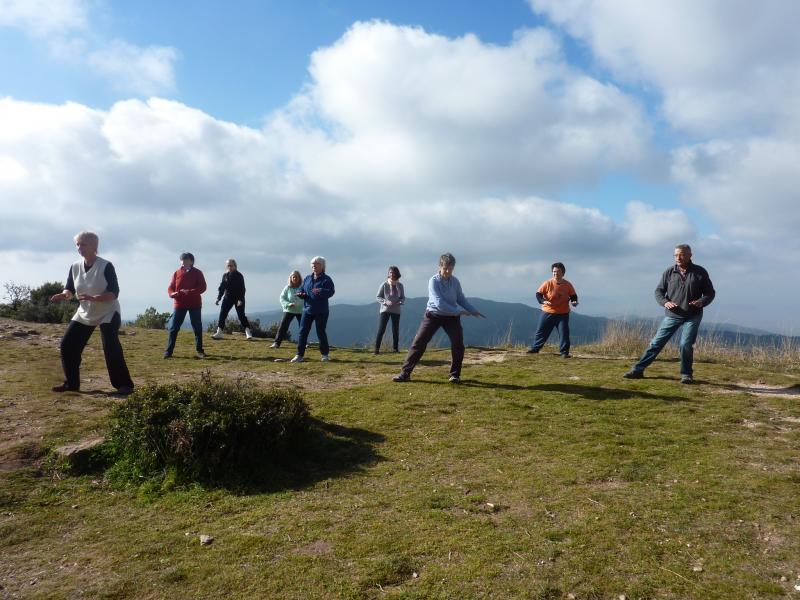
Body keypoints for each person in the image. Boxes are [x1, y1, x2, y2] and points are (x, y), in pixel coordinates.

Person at [49, 231, 134, 394]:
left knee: (111, 346)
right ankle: (71, 384)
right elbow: (70, 289)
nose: (79, 247)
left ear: (94, 247)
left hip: (108, 311)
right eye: (77, 244)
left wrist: (96, 298)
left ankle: (124, 385)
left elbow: (114, 292)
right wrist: (64, 294)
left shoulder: (106, 266)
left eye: (83, 244)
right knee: (67, 345)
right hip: (85, 312)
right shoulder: (75, 266)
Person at [624, 244, 715, 384]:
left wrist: (702, 301)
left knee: (685, 344)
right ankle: (638, 370)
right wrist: (665, 302)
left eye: (682, 254)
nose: (678, 257)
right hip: (672, 315)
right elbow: (659, 292)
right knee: (656, 343)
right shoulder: (669, 272)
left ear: (690, 255)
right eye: (676, 255)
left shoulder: (700, 272)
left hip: (693, 315)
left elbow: (710, 293)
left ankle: (686, 375)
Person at [393, 253, 485, 384]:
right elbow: (439, 303)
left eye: (451, 268)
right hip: (433, 315)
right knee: (418, 343)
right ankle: (405, 373)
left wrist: (473, 311)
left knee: (458, 344)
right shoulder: (433, 281)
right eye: (446, 268)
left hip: (451, 318)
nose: (448, 271)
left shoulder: (455, 281)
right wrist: (459, 312)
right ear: (440, 266)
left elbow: (461, 299)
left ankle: (455, 375)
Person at [528, 262, 578, 358]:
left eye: (558, 271)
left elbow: (573, 296)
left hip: (563, 314)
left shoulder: (568, 284)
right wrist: (543, 301)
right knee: (541, 331)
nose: (555, 273)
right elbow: (538, 294)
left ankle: (564, 353)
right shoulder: (547, 283)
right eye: (554, 272)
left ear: (563, 273)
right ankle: (535, 349)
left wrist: (574, 302)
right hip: (548, 312)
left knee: (564, 333)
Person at [291, 257, 335, 363]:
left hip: (321, 310)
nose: (314, 266)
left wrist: (320, 290)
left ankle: (325, 355)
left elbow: (331, 292)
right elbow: (301, 289)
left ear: (322, 266)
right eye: (312, 264)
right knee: (302, 332)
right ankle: (299, 355)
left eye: (316, 264)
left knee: (321, 332)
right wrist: (301, 294)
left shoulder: (326, 279)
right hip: (307, 309)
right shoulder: (307, 279)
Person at [164, 252, 207, 359]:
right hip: (179, 304)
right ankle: (168, 352)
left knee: (197, 328)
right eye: (182, 260)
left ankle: (200, 351)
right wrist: (171, 294)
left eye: (186, 260)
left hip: (195, 304)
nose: (183, 262)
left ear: (191, 261)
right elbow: (170, 287)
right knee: (174, 328)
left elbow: (203, 287)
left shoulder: (198, 273)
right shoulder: (176, 273)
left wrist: (190, 292)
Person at [211, 259, 253, 340]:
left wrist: (240, 300)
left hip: (238, 299)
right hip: (228, 298)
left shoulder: (239, 275)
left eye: (231, 265)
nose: (229, 267)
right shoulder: (225, 275)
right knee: (222, 314)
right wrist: (218, 298)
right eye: (228, 265)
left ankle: (248, 332)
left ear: (235, 266)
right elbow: (222, 288)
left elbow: (242, 289)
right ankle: (219, 332)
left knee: (241, 316)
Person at [374, 266, 405, 354]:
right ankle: (376, 349)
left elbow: (403, 298)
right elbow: (378, 297)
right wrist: (385, 301)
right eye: (390, 272)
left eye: (393, 272)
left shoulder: (400, 285)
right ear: (388, 273)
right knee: (382, 329)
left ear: (397, 274)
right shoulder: (384, 284)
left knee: (395, 330)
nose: (391, 274)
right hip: (385, 310)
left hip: (396, 310)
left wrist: (399, 302)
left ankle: (395, 349)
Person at [271, 270, 303, 348]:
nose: (295, 278)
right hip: (289, 310)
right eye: (293, 277)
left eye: (296, 277)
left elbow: (307, 297)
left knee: (303, 327)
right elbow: (282, 298)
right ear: (291, 278)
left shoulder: (303, 287)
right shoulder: (287, 288)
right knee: (283, 327)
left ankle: (304, 343)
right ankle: (276, 343)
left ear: (299, 278)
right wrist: (288, 304)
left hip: (301, 311)